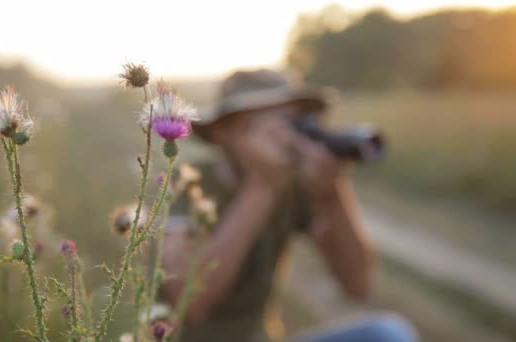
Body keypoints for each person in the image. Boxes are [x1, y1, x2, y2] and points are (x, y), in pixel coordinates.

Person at [159, 69, 418, 342]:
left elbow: (359, 286)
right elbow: (192, 305)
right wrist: (262, 185)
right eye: (260, 126)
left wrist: (331, 192)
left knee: (387, 334)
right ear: (223, 133)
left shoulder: (290, 187)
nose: (281, 138)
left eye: (289, 123)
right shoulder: (187, 184)